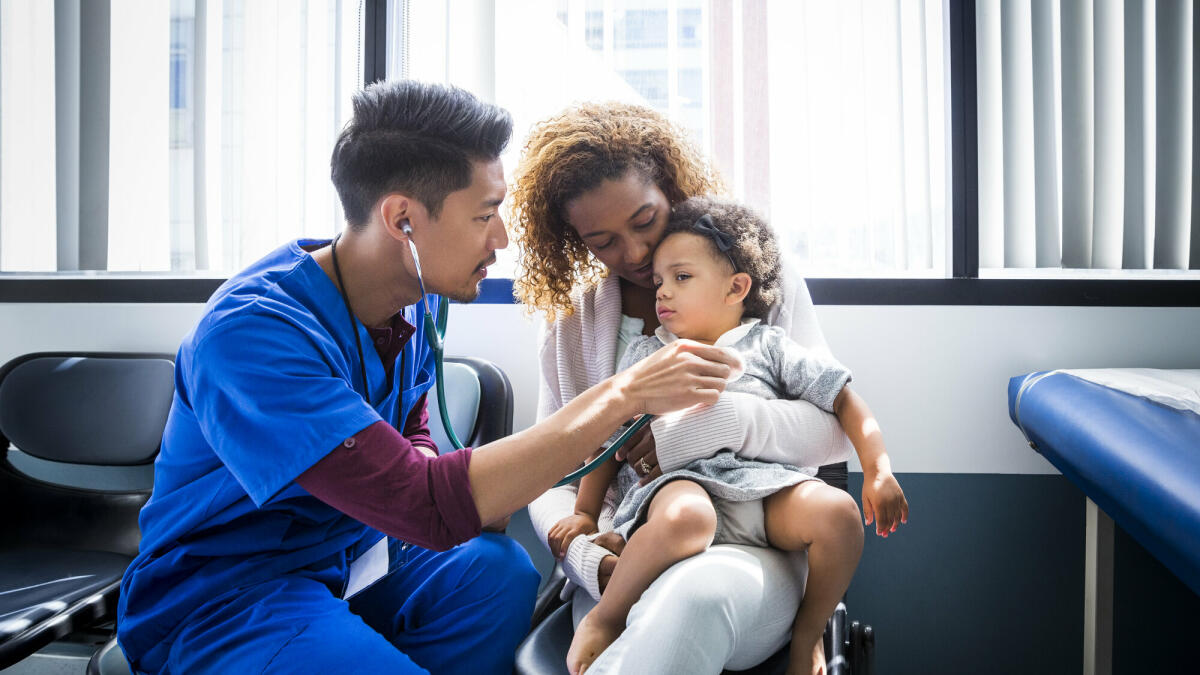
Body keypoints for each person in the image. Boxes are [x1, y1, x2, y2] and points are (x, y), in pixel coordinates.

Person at [116, 81, 740, 675]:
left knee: (498, 572)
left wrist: (464, 484)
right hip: (228, 592)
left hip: (353, 559)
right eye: (485, 215)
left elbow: (412, 425)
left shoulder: (417, 294)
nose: (501, 239)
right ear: (403, 220)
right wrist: (625, 394)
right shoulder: (252, 337)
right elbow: (422, 505)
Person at [509, 102, 881, 674]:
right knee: (662, 600)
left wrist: (711, 425)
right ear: (572, 240)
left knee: (697, 598)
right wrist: (592, 561)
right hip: (631, 548)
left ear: (673, 188)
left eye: (643, 221)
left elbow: (832, 433)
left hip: (758, 539)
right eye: (602, 241)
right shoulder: (574, 326)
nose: (632, 255)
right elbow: (550, 470)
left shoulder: (756, 286)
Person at [556, 197, 909, 675]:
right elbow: (609, 444)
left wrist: (878, 469)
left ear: (736, 287)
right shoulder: (647, 354)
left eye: (680, 278)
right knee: (688, 517)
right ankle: (606, 616)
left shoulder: (769, 344)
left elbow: (841, 396)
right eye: (659, 281)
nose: (661, 292)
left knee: (839, 515)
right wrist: (582, 513)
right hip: (679, 489)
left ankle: (808, 636)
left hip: (762, 492)